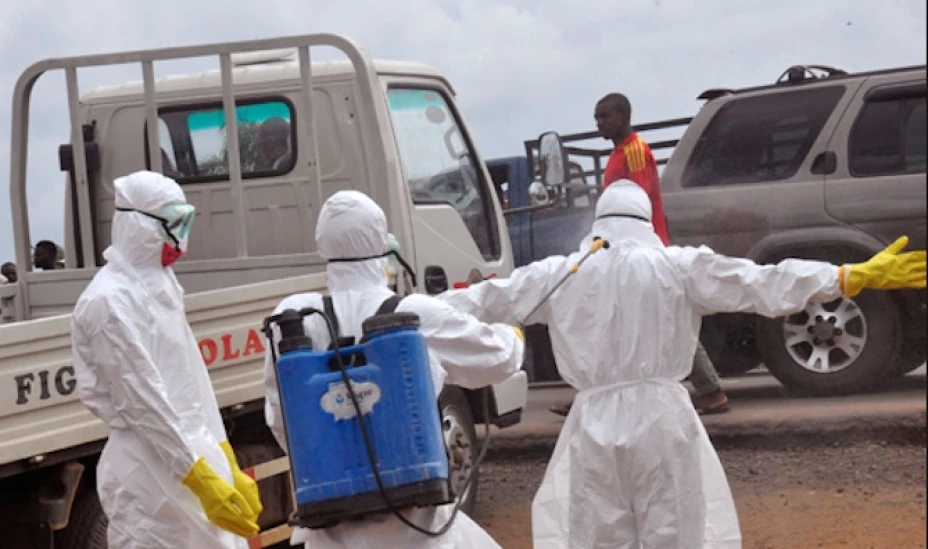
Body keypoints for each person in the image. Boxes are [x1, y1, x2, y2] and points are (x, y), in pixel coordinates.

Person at [437, 180, 926, 548]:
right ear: (646, 221)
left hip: (593, 420)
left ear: (599, 223)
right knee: (678, 532)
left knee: (594, 534)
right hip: (664, 417)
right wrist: (845, 275)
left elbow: (481, 300)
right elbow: (760, 283)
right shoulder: (678, 265)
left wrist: (396, 309)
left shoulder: (561, 274)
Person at [263, 190, 524, 549]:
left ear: (324, 244)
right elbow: (495, 359)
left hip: (330, 527)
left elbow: (281, 417)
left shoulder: (295, 319)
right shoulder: (413, 313)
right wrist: (513, 337)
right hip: (415, 523)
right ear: (382, 243)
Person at [71, 170, 262, 549]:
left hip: (192, 455)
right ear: (138, 226)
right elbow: (144, 403)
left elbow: (193, 382)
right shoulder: (107, 302)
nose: (181, 238)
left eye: (185, 223)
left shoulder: (161, 285)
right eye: (173, 225)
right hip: (148, 469)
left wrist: (224, 455)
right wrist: (198, 478)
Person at [553, 92, 728, 416]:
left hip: (641, 249)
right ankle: (590, 391)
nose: (599, 123)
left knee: (666, 317)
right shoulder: (621, 153)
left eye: (605, 116)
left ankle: (711, 390)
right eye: (596, 117)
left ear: (623, 115)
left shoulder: (633, 152)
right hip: (626, 248)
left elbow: (636, 201)